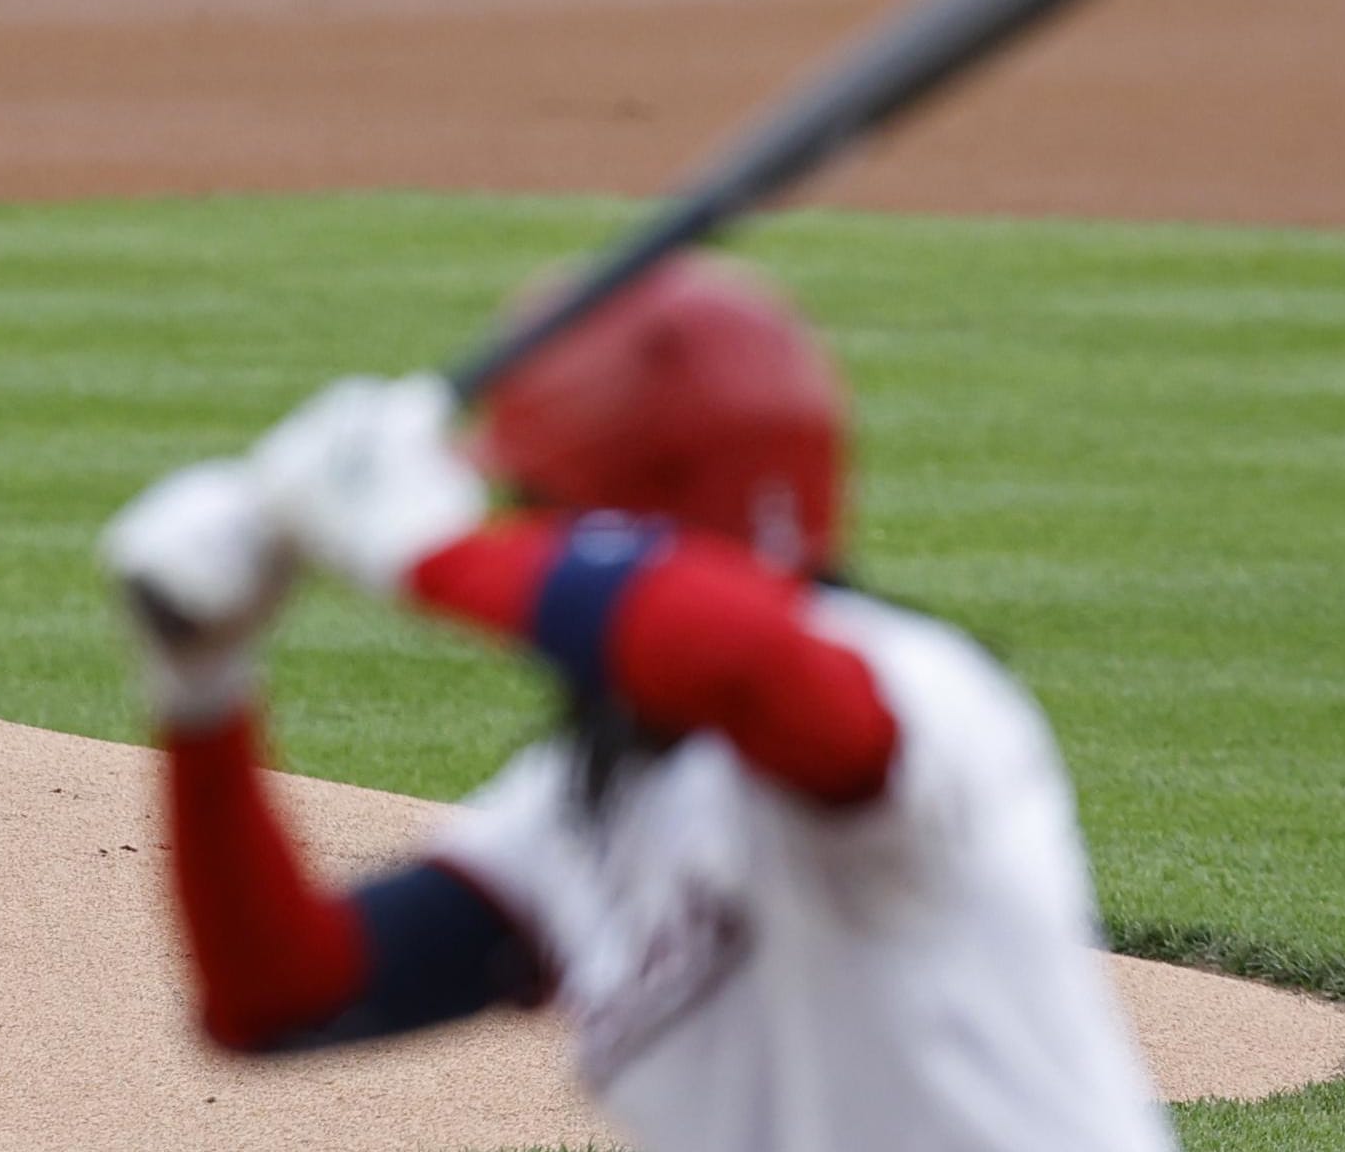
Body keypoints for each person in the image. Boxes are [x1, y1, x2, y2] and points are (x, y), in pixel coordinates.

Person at [97, 255, 1175, 1150]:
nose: (523, 538)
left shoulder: (918, 688)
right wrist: (202, 693)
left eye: (540, 512)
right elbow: (280, 992)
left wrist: (432, 550)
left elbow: (746, 664)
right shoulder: (584, 807)